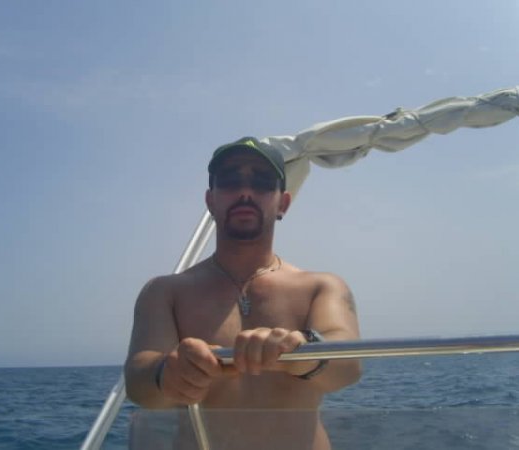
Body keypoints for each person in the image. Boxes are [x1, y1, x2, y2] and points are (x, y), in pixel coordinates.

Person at [124, 137, 361, 450]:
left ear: (283, 203)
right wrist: (168, 373)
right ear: (210, 200)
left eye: (262, 182)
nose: (245, 192)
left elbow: (349, 366)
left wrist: (299, 353)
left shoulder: (322, 287)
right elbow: (138, 381)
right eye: (230, 180)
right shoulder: (164, 292)